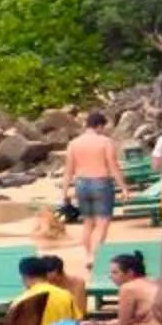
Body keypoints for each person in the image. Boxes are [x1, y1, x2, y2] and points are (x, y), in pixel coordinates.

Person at [63, 110, 124, 269]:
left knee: (88, 223)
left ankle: (88, 255)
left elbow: (68, 170)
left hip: (81, 184)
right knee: (102, 223)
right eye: (102, 127)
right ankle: (95, 256)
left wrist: (64, 192)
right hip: (101, 182)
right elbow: (113, 166)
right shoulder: (105, 142)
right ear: (99, 126)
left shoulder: (74, 143)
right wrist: (124, 187)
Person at [90, 250, 162, 325]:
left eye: (115, 272)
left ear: (130, 273)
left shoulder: (128, 288)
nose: (110, 276)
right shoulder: (153, 283)